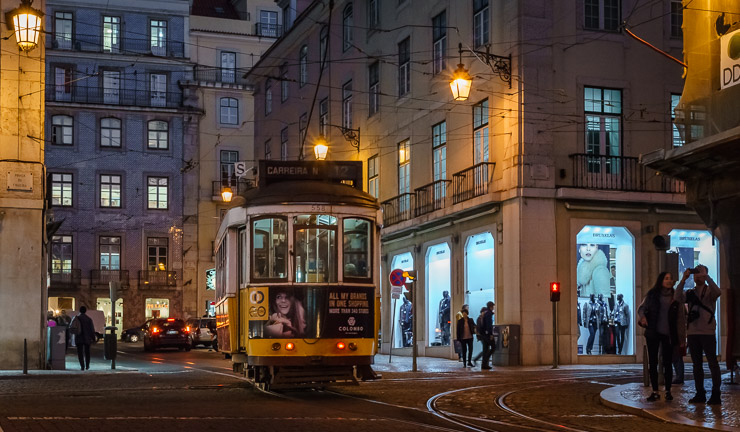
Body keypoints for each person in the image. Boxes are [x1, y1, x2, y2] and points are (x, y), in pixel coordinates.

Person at [675, 265, 722, 405]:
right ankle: (700, 393)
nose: (697, 275)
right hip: (693, 332)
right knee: (697, 365)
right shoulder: (690, 292)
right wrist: (683, 279)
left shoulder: (709, 292)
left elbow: (718, 292)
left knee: (713, 363)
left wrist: (707, 277)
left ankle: (716, 394)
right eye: (696, 272)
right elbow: (677, 297)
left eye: (700, 272)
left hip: (707, 332)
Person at [637, 272, 682, 402]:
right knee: (653, 362)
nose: (669, 281)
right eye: (666, 278)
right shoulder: (652, 295)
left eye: (670, 279)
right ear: (661, 280)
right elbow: (641, 308)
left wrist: (681, 337)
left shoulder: (675, 297)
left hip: (668, 334)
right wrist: (643, 317)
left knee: (668, 363)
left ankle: (668, 390)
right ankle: (655, 391)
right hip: (653, 332)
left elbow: (679, 318)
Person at [70, 306, 96, 371]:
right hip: (87, 337)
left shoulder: (77, 318)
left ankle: (82, 366)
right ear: (85, 311)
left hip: (79, 337)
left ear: (79, 311)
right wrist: (93, 338)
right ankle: (87, 365)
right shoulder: (89, 319)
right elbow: (92, 330)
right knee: (87, 352)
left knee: (80, 352)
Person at [479, 301, 495, 370]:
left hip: (484, 334)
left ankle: (484, 364)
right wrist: (490, 334)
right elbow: (489, 325)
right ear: (491, 306)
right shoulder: (489, 314)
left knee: (485, 349)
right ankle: (485, 361)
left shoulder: (485, 314)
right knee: (493, 347)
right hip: (487, 335)